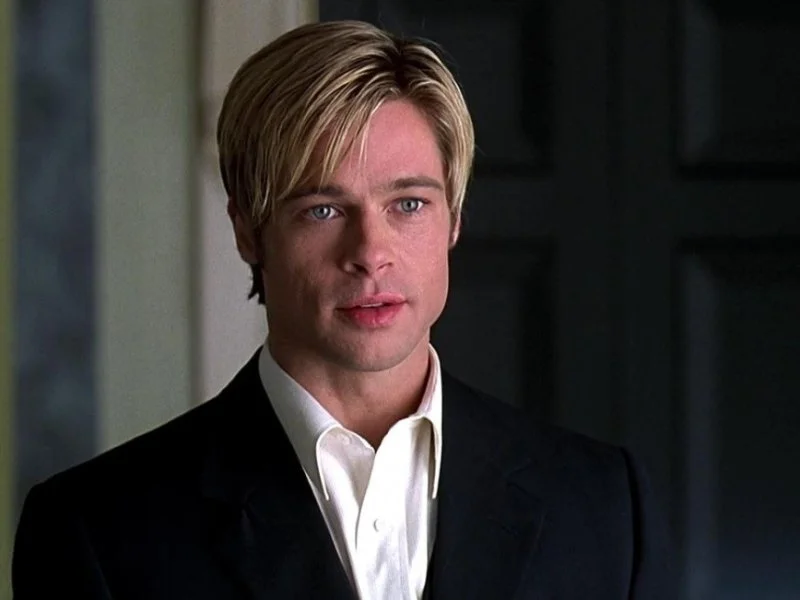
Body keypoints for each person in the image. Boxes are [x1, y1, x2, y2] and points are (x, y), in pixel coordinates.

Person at [12, 20, 672, 599]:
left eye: (408, 204)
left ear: (454, 219)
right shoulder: (97, 531)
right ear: (248, 231)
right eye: (323, 210)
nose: (370, 253)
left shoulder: (606, 507)